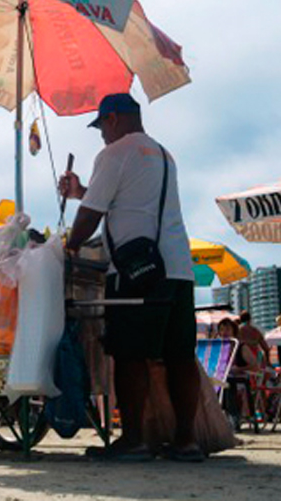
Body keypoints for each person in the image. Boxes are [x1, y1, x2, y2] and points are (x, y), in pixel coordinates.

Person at [61, 93, 202, 462]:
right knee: (180, 357)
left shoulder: (115, 153)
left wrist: (71, 247)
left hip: (136, 272)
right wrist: (78, 191)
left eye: (101, 127)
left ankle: (135, 440)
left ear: (112, 119)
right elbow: (128, 200)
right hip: (178, 269)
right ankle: (186, 441)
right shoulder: (163, 154)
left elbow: (93, 213)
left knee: (128, 354)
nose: (101, 136)